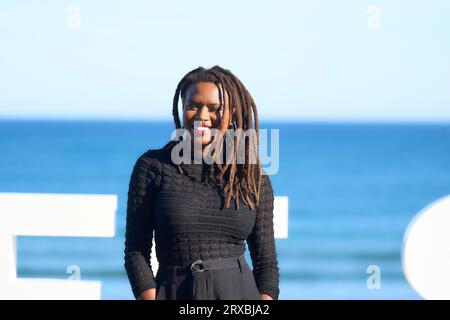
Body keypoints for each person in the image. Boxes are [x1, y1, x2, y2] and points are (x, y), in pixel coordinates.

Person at [124, 65, 279, 300]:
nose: (202, 116)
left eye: (215, 108)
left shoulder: (252, 177)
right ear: (182, 108)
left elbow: (266, 263)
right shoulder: (152, 167)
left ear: (233, 113)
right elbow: (136, 252)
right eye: (193, 106)